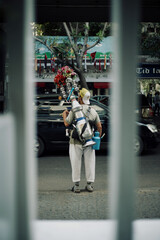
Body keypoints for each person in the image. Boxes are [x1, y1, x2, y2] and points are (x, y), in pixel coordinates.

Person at [62, 88, 102, 193]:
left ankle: (76, 186)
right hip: (89, 140)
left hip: (75, 142)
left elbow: (67, 123)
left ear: (80, 98)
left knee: (76, 162)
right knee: (90, 162)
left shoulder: (75, 110)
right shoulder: (93, 111)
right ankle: (89, 185)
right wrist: (97, 137)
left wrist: (64, 115)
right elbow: (99, 126)